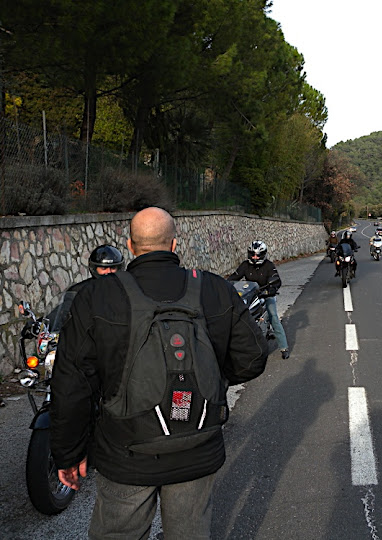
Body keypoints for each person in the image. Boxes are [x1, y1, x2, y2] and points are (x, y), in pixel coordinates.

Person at [50, 207, 269, 539]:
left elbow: (72, 385)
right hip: (197, 447)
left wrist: (68, 453)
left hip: (125, 454)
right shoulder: (214, 288)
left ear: (130, 246)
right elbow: (253, 357)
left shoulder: (97, 296)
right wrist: (208, 377)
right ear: (174, 244)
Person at [227, 240, 291, 360]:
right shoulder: (245, 265)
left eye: (257, 255)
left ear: (263, 255)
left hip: (266, 295)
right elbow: (234, 277)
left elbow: (276, 280)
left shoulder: (269, 266)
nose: (255, 257)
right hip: (250, 296)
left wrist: (270, 290)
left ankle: (284, 347)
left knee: (273, 317)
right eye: (252, 254)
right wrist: (225, 285)